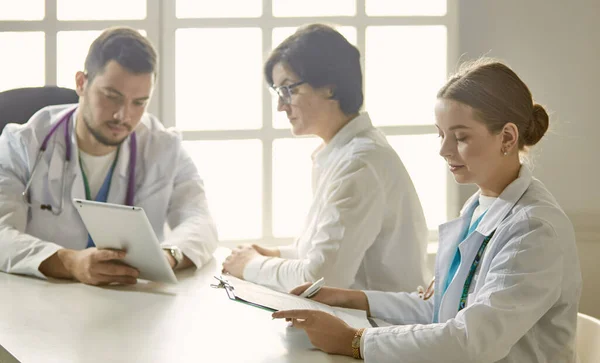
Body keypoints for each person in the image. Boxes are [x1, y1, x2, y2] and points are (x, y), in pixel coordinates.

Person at [272, 58, 582, 362]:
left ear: (507, 137)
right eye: (441, 134)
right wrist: (349, 298)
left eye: (460, 137)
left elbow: (471, 341)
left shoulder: (535, 229)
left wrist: (353, 341)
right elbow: (440, 309)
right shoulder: (479, 207)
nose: (444, 150)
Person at [0, 27, 218, 286]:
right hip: (41, 296)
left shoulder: (163, 146)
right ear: (81, 83)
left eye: (139, 102)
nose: (122, 115)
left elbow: (200, 220)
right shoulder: (24, 143)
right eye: (111, 97)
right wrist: (70, 262)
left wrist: (167, 256)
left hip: (130, 303)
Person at [222, 24, 428, 293]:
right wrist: (275, 254)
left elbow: (322, 278)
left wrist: (251, 265)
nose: (281, 106)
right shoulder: (341, 154)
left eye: (288, 89)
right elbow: (326, 253)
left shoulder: (360, 164)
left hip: (375, 326)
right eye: (278, 92)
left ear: (330, 88)